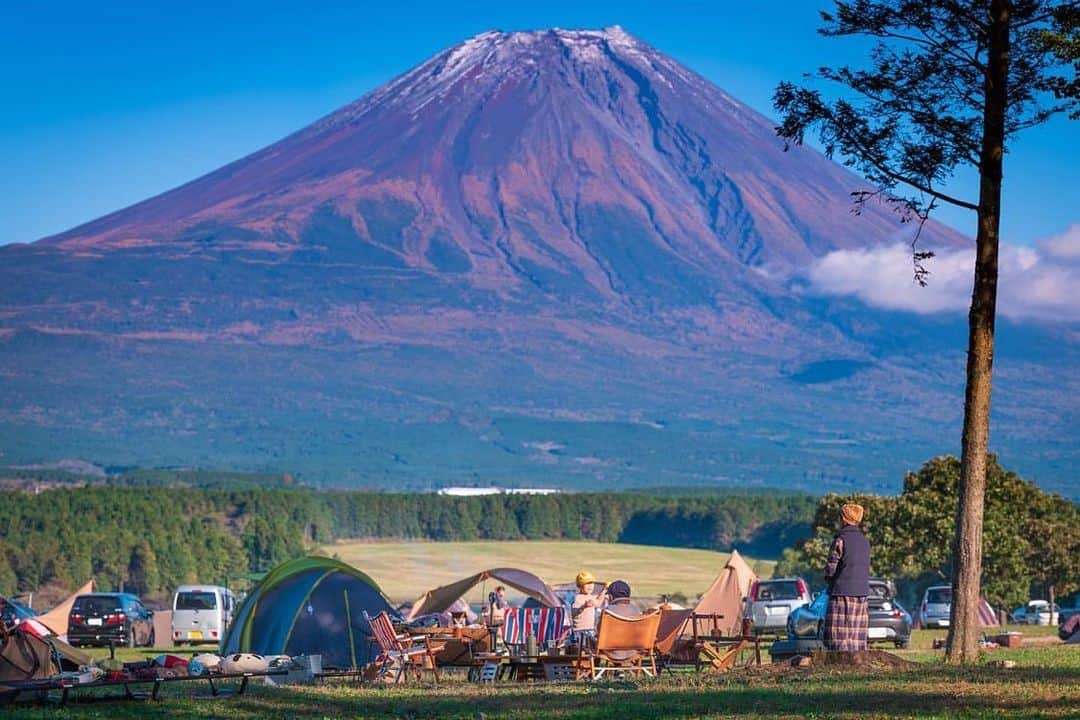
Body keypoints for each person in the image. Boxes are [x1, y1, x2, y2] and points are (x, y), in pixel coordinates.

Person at [823, 502, 871, 652]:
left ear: (844, 519)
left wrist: (827, 577)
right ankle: (856, 660)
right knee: (856, 632)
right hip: (861, 592)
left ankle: (840, 660)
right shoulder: (865, 542)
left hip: (842, 591)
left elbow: (831, 568)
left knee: (839, 632)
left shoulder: (840, 540)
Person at [571, 571, 604, 648]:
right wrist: (583, 606)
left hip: (590, 630)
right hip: (580, 631)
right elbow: (574, 613)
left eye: (592, 583)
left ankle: (592, 659)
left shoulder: (591, 597)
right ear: (580, 586)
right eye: (587, 584)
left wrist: (604, 591)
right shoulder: (578, 598)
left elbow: (598, 603)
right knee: (582, 651)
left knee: (592, 649)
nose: (590, 586)